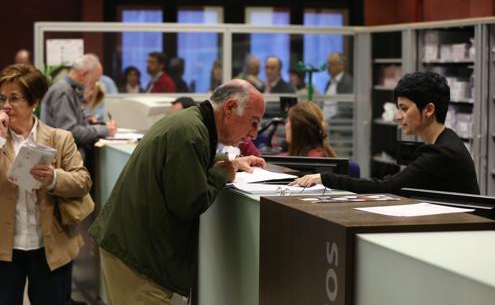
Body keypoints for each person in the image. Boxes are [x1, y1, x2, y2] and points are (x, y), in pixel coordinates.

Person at [89, 79, 266, 304]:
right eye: (253, 122)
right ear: (230, 108)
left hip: (133, 251)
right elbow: (189, 203)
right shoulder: (191, 133)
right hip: (140, 261)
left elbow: (186, 164)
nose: (254, 133)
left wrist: (229, 161)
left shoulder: (190, 123)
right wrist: (222, 173)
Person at [0, 64, 92, 305]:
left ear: (34, 101)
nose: (6, 105)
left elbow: (83, 180)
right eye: (2, 98)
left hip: (49, 244)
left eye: (14, 98)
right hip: (5, 246)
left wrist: (54, 178)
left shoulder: (59, 137)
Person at [291, 72, 480, 195]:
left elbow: (387, 186)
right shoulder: (445, 141)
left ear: (428, 110)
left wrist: (326, 178)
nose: (398, 116)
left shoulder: (441, 153)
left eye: (404, 109)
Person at [41, 54, 117, 158]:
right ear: (84, 74)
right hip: (63, 162)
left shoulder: (70, 90)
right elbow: (70, 132)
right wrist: (103, 130)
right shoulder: (64, 92)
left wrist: (88, 122)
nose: (94, 85)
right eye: (95, 80)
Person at [323, 52, 353, 119]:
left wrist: (332, 119)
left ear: (341, 65)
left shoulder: (348, 82)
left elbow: (349, 106)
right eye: (327, 63)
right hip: (327, 123)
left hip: (339, 124)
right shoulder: (329, 82)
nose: (328, 67)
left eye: (331, 64)